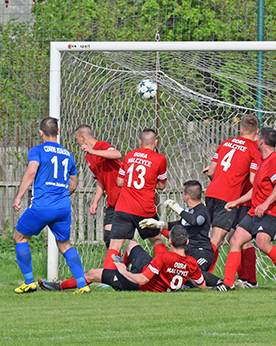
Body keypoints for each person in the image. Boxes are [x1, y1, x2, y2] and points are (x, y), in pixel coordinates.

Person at [12, 117, 89, 294]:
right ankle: (82, 284)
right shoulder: (68, 154)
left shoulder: (37, 150)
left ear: (41, 133)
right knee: (65, 245)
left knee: (19, 237)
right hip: (63, 208)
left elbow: (32, 171)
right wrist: (60, 198)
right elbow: (74, 185)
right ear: (58, 132)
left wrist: (19, 197)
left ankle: (29, 282)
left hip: (41, 207)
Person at [222, 127, 276, 290]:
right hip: (255, 211)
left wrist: (265, 204)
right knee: (235, 239)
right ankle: (227, 283)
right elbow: (255, 190)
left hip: (271, 211)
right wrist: (236, 202)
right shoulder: (262, 161)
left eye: (258, 138)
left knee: (262, 243)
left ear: (261, 141)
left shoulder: (274, 159)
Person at [40, 225, 206, 292]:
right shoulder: (192, 263)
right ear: (187, 242)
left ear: (169, 241)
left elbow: (141, 280)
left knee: (92, 273)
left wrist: (122, 270)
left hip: (139, 284)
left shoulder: (164, 257)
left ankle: (58, 286)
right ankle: (122, 270)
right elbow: (202, 285)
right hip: (153, 274)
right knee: (132, 245)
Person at [203, 114, 261, 285]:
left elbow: (212, 172)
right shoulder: (254, 149)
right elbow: (253, 180)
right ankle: (203, 277)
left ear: (241, 129)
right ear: (257, 132)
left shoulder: (225, 143)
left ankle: (248, 279)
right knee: (219, 239)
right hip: (232, 198)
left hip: (212, 193)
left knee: (235, 238)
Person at [138, 180, 225, 287]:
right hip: (189, 251)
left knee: (196, 271)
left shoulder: (202, 210)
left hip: (202, 251)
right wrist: (158, 224)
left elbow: (196, 220)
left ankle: (222, 283)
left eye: (183, 193)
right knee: (179, 269)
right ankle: (187, 285)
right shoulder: (189, 210)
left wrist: (178, 210)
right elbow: (180, 223)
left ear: (186, 196)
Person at [104, 128, 168, 269]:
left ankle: (107, 279)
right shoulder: (160, 159)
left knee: (115, 245)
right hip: (144, 209)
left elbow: (120, 182)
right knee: (157, 240)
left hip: (123, 208)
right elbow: (162, 185)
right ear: (155, 142)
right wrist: (150, 182)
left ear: (140, 142)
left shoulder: (129, 155)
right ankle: (165, 274)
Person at [74, 125, 123, 248]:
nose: (77, 142)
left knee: (147, 234)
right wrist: (95, 201)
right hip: (112, 202)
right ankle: (119, 266)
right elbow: (100, 180)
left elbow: (117, 154)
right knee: (109, 238)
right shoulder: (88, 157)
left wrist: (93, 151)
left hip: (125, 199)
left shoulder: (101, 146)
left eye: (77, 139)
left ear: (83, 137)